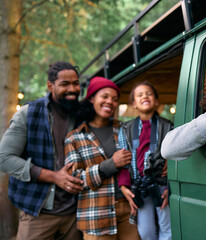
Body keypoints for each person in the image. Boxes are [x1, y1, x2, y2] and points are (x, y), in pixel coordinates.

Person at [0, 61, 83, 240]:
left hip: (75, 213)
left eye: (76, 84)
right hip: (38, 211)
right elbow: (4, 158)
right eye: (65, 84)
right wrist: (54, 176)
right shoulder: (28, 114)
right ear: (50, 86)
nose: (72, 89)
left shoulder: (83, 114)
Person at [64, 76, 140, 240]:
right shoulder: (74, 138)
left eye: (114, 99)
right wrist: (110, 164)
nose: (110, 102)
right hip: (96, 216)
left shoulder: (124, 129)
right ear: (92, 99)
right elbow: (75, 179)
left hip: (130, 211)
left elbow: (139, 160)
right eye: (104, 96)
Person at [117, 82, 173, 240]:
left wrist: (170, 186)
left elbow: (175, 156)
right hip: (139, 187)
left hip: (161, 184)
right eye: (139, 95)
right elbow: (123, 159)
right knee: (145, 231)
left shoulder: (167, 126)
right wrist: (123, 185)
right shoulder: (126, 129)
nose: (144, 97)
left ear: (156, 101)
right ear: (134, 103)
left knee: (166, 228)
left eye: (149, 93)